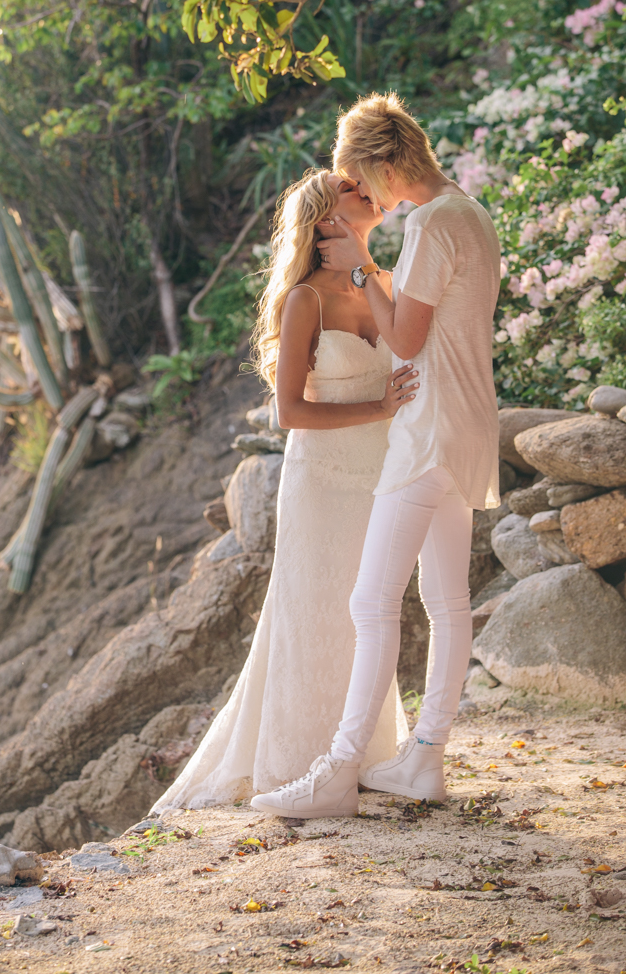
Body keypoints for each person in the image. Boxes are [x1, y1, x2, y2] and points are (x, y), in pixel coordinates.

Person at [251, 92, 501, 819]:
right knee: (448, 602)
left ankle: (336, 773)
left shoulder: (427, 224)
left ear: (382, 162)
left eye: (361, 176)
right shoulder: (472, 215)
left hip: (424, 433)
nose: (368, 192)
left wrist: (361, 265)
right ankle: (423, 758)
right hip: (469, 425)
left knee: (372, 600)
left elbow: (411, 342)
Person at [151, 168, 418, 813]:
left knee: (370, 620)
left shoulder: (384, 282)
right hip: (322, 484)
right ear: (328, 220)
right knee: (315, 618)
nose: (367, 191)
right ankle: (297, 764)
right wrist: (379, 408)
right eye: (352, 189)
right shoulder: (306, 301)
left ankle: (365, 756)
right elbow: (290, 412)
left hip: (381, 480)